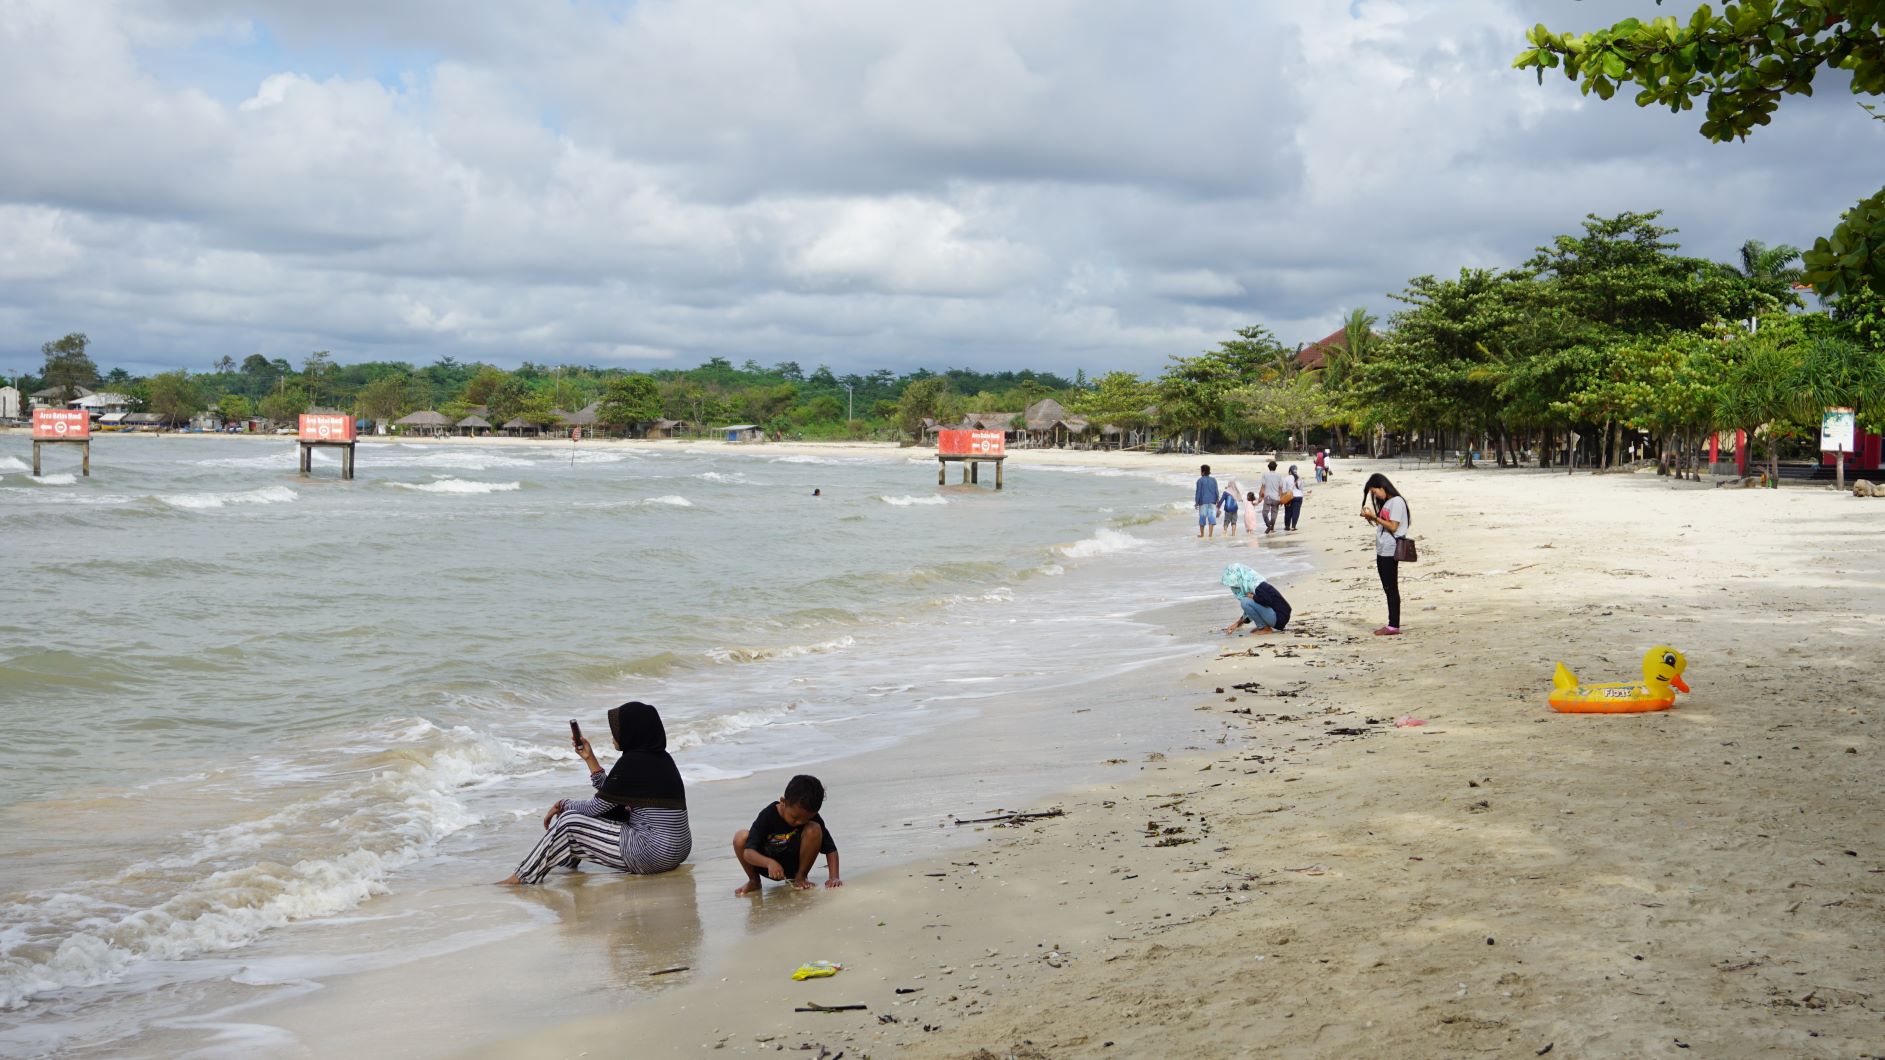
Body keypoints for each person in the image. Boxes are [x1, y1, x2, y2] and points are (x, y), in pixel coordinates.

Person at [500, 702, 692, 885]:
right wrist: (589, 758)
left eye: (617, 730)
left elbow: (594, 808)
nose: (614, 736)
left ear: (632, 731)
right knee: (604, 813)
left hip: (653, 854)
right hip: (678, 850)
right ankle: (565, 866)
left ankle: (521, 878)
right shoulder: (662, 760)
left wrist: (562, 804)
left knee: (569, 821)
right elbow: (613, 795)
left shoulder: (633, 762)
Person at [735, 775, 841, 894]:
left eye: (806, 818)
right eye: (795, 817)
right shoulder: (768, 815)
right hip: (766, 865)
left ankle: (801, 877)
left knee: (814, 828)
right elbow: (748, 853)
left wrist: (834, 877)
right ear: (783, 802)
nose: (800, 822)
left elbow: (831, 850)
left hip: (794, 867)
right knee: (740, 837)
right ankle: (754, 881)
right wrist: (769, 863)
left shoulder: (812, 817)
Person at [1360, 474, 1411, 636]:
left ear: (1382, 486)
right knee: (1388, 587)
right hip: (1383, 549)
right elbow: (1385, 524)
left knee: (1391, 588)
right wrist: (1371, 518)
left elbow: (1393, 527)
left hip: (1390, 550)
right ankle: (1392, 624)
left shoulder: (1396, 502)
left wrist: (1375, 517)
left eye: (1375, 492)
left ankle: (1393, 625)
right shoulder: (1389, 502)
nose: (1375, 495)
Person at [1220, 563, 1292, 634]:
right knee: (1247, 602)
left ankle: (1264, 628)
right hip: (1278, 617)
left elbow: (1266, 601)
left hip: (1279, 617)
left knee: (1245, 602)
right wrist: (1237, 624)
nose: (1234, 587)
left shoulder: (1257, 586)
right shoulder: (1252, 584)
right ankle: (1263, 626)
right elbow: (1253, 609)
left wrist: (1253, 597)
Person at [1258, 460, 1288, 534]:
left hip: (1267, 496)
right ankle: (1272, 527)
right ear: (1275, 467)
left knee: (1264, 512)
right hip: (1276, 497)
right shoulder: (1279, 475)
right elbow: (1280, 488)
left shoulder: (1265, 475)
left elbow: (1263, 487)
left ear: (1268, 467)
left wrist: (1260, 497)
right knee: (1274, 513)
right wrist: (1281, 498)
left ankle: (1268, 525)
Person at [1193, 464, 1219, 539]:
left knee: (1202, 518)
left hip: (1203, 502)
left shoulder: (1199, 481)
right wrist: (1217, 500)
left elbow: (1198, 492)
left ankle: (1202, 534)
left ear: (1203, 472)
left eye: (1201, 471)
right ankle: (1210, 535)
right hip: (1212, 501)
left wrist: (1196, 502)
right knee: (1211, 518)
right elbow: (1216, 491)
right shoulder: (1213, 480)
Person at [1283, 465, 1305, 531]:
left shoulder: (1286, 478)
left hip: (1289, 497)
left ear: (1290, 471)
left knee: (1288, 512)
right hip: (1299, 497)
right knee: (1296, 512)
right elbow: (1301, 489)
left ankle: (1287, 526)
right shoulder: (1300, 478)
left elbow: (1284, 490)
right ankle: (1293, 526)